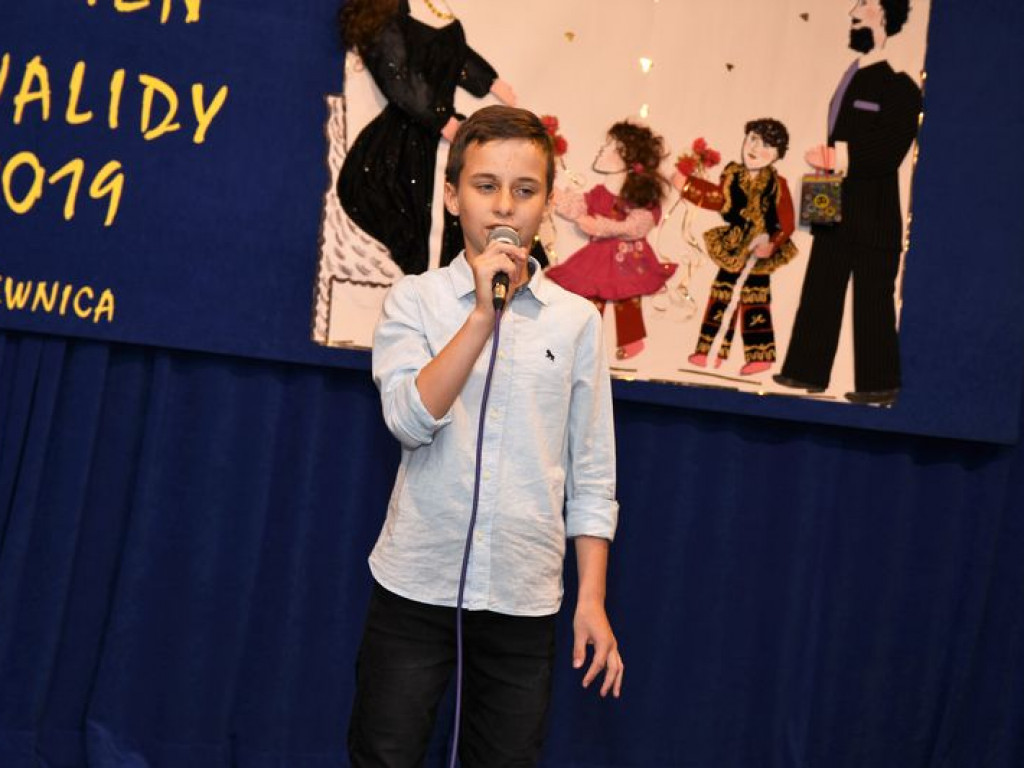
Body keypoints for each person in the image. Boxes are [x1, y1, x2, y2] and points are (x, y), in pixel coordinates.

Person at [350, 105, 623, 768]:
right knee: (384, 753)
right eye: (485, 185)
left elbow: (592, 474)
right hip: (417, 584)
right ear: (452, 196)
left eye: (525, 190)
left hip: (523, 597)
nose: (504, 206)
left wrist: (591, 599)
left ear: (548, 204)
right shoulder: (414, 300)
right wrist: (481, 315)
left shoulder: (577, 323)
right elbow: (408, 420)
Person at [774, 0, 921, 404]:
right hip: (830, 195)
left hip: (873, 209)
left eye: (866, 3)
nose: (855, 10)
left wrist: (837, 156)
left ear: (885, 14)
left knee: (872, 294)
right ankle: (804, 370)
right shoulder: (851, 74)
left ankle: (878, 383)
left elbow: (890, 149)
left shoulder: (900, 85)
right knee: (820, 283)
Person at [336, 0, 517, 276]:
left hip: (440, 131)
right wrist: (440, 118)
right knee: (426, 225)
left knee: (454, 222)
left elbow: (454, 54)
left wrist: (489, 81)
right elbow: (397, 75)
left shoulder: (435, 6)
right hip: (408, 139)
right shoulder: (387, 14)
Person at [672, 118, 798, 376]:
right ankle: (708, 351)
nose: (755, 148)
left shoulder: (777, 184)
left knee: (755, 299)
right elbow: (717, 198)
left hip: (761, 247)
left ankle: (760, 354)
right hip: (734, 244)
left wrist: (773, 244)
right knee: (721, 294)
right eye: (752, 139)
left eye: (766, 145)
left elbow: (787, 221)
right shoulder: (732, 176)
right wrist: (687, 185)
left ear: (777, 155)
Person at [545, 121, 676, 360]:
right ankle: (586, 341)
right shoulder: (600, 193)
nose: (601, 150)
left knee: (627, 295)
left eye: (609, 146)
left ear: (626, 157)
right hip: (600, 255)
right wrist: (556, 195)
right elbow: (580, 205)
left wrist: (601, 226)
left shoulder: (639, 195)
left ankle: (632, 340)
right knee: (590, 294)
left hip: (629, 256)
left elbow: (638, 225)